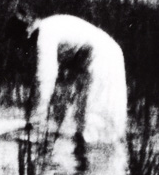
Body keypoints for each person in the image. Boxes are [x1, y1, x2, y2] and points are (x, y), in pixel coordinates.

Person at [9, 11, 127, 145]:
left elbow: (45, 79)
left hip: (104, 58)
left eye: (19, 41)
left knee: (95, 126)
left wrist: (35, 123)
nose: (21, 46)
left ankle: (94, 150)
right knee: (89, 123)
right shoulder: (49, 26)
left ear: (26, 32)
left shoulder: (45, 34)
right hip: (103, 56)